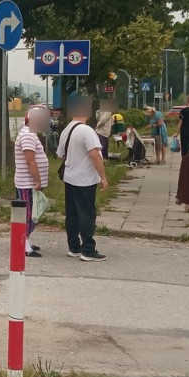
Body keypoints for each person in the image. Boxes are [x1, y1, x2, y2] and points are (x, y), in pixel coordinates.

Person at [57, 109, 108, 262]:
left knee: (72, 213)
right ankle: (88, 249)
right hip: (85, 179)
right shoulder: (87, 131)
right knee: (87, 213)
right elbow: (94, 155)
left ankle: (74, 246)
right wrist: (103, 177)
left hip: (70, 177)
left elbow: (61, 154)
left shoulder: (67, 130)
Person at [14, 108, 49, 258]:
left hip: (28, 183)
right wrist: (37, 180)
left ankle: (27, 240)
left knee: (31, 214)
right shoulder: (28, 136)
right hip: (27, 183)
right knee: (27, 214)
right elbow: (30, 161)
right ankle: (24, 245)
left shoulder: (30, 134)